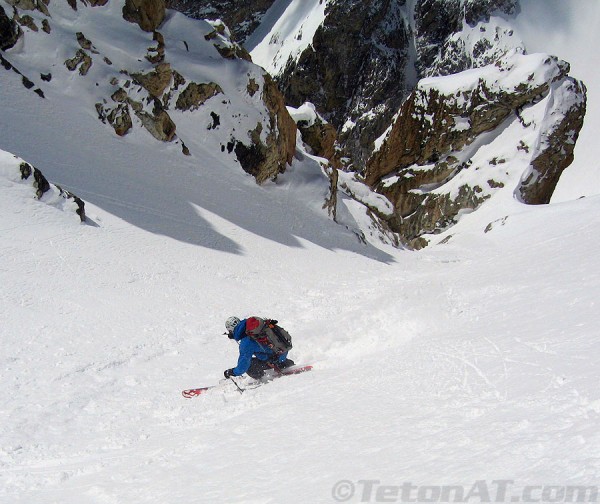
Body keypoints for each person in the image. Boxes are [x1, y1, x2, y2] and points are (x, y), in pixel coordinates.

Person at [223, 316, 295, 380]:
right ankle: (285, 363)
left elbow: (243, 366)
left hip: (275, 358)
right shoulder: (254, 328)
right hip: (282, 350)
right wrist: (235, 336)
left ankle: (263, 380)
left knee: (250, 365)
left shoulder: (246, 343)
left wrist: (232, 372)